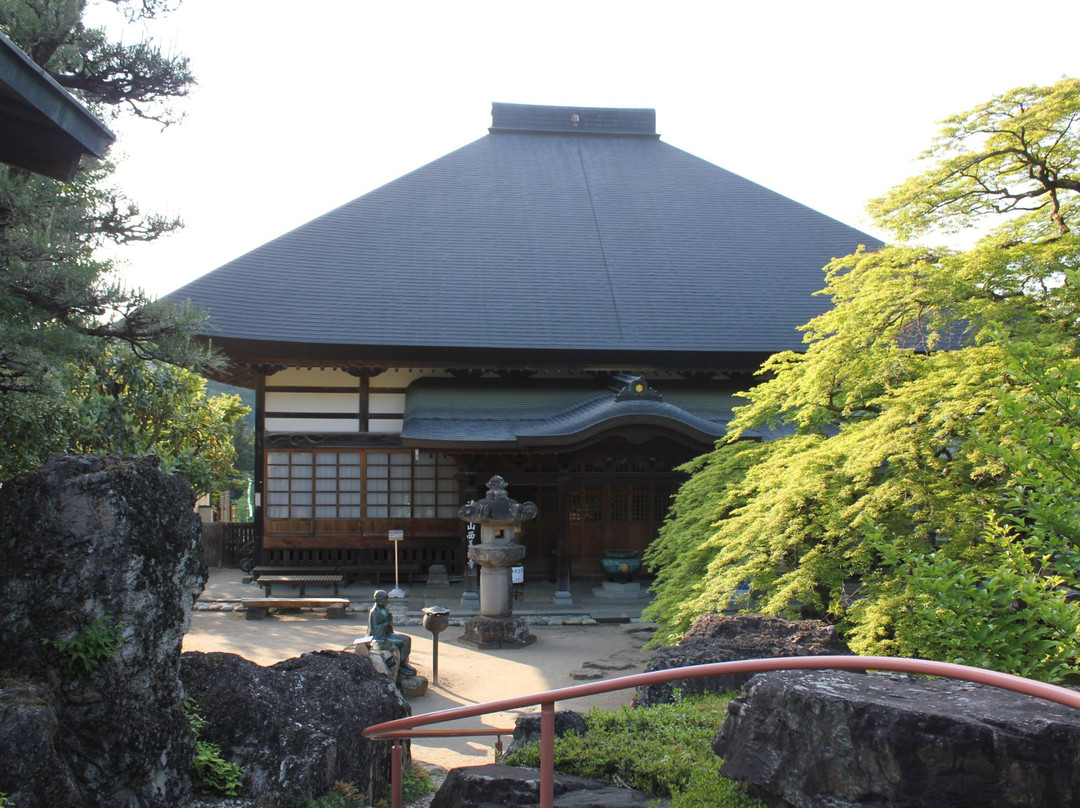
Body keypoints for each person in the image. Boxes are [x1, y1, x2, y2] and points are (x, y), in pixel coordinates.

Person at [368, 589, 416, 676]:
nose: (386, 602)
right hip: (379, 638)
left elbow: (388, 625)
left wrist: (390, 622)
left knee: (407, 639)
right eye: (383, 600)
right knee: (399, 643)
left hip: (387, 634)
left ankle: (403, 662)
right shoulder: (374, 611)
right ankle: (401, 666)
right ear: (377, 600)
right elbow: (374, 629)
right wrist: (387, 622)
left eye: (386, 600)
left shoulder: (384, 609)